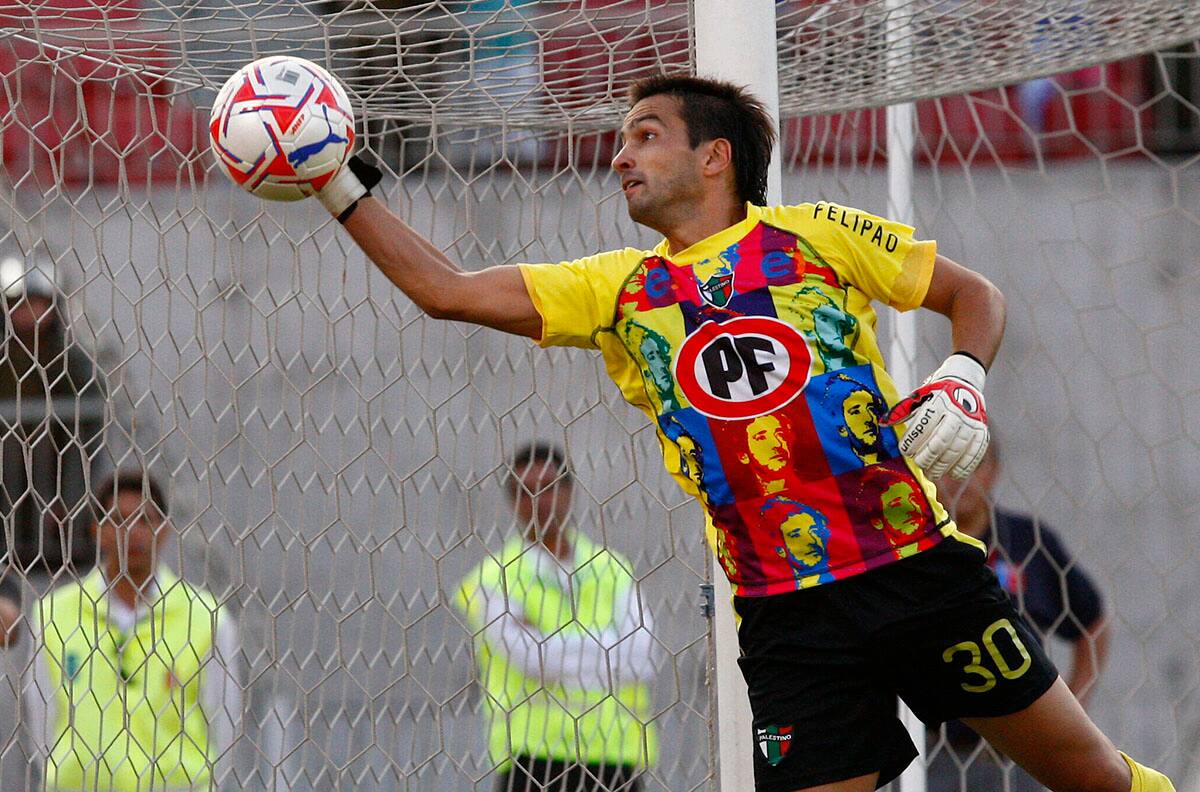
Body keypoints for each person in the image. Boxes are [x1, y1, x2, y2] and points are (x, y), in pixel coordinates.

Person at [298, 72, 1172, 791]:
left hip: (914, 571)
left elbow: (975, 296)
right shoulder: (618, 288)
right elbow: (444, 290)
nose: (620, 156)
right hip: (788, 615)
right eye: (622, 139)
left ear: (713, 157)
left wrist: (965, 377)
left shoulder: (817, 235)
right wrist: (335, 183)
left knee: (1093, 778)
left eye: (645, 135)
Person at [454, 442, 658, 792]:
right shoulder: (490, 579)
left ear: (569, 492)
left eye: (548, 488)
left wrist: (549, 643)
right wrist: (606, 645)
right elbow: (533, 662)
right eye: (525, 492)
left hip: (614, 759)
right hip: (532, 761)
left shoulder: (612, 568)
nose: (539, 501)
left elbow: (643, 659)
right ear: (511, 501)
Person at [25, 470, 241, 791]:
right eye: (118, 520)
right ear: (97, 531)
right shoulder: (55, 614)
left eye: (145, 520)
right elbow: (41, 720)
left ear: (164, 530)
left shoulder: (206, 616)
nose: (133, 533)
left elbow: (224, 724)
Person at [929, 441, 1110, 792]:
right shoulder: (915, 553)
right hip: (934, 754)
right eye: (945, 467)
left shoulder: (1028, 541)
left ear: (994, 469)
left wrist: (1074, 707)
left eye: (970, 464)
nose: (958, 479)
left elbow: (1093, 622)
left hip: (1021, 753)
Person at [1, 251, 106, 578]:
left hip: (52, 472)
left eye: (38, 303)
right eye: (19, 303)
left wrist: (70, 498)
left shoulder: (71, 361)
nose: (28, 313)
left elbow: (86, 435)